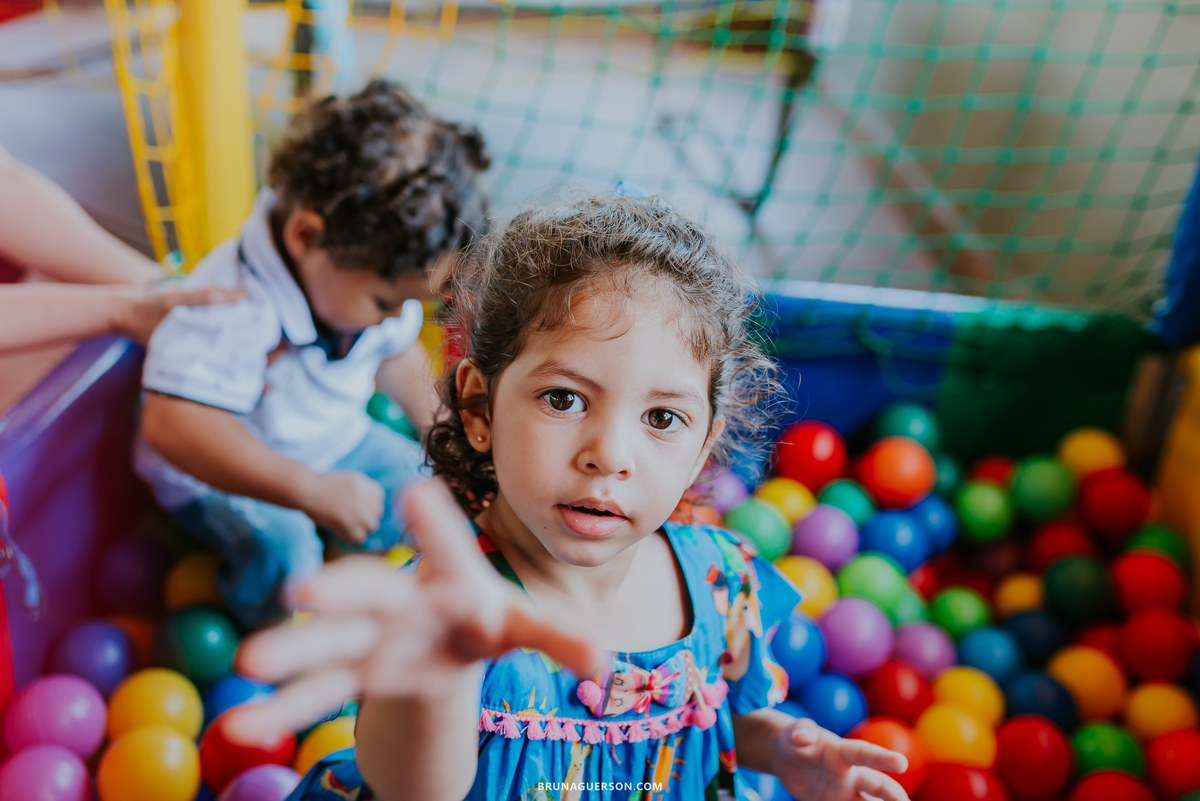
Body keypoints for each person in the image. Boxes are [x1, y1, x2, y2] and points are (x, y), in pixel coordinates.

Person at [228, 196, 911, 801]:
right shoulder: (452, 609)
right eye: (564, 399)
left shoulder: (720, 580)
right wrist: (440, 676)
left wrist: (791, 752)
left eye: (662, 417)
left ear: (704, 446)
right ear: (479, 408)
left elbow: (727, 722)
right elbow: (412, 787)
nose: (608, 454)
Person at [134, 80, 491, 628]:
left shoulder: (360, 275)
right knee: (287, 553)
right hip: (223, 473)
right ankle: (270, 638)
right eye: (387, 301)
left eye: (410, 304)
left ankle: (402, 590)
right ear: (306, 237)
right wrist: (310, 491)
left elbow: (395, 354)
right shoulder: (232, 305)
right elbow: (171, 423)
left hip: (330, 442)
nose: (397, 318)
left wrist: (444, 433)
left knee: (434, 496)